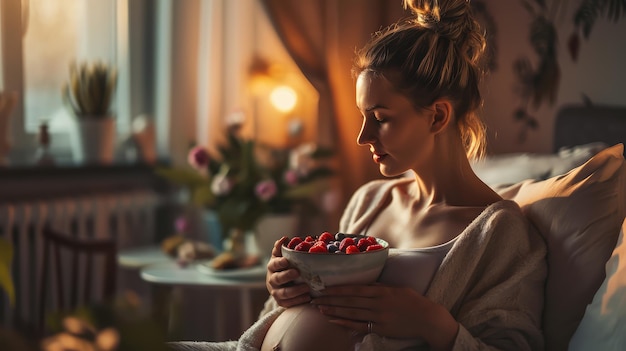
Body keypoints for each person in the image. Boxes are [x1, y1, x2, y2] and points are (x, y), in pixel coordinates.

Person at [168, 0, 546, 350]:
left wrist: (433, 324)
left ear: (437, 116)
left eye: (380, 119)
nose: (362, 137)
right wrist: (284, 291)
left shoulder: (499, 234)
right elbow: (294, 314)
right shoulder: (370, 199)